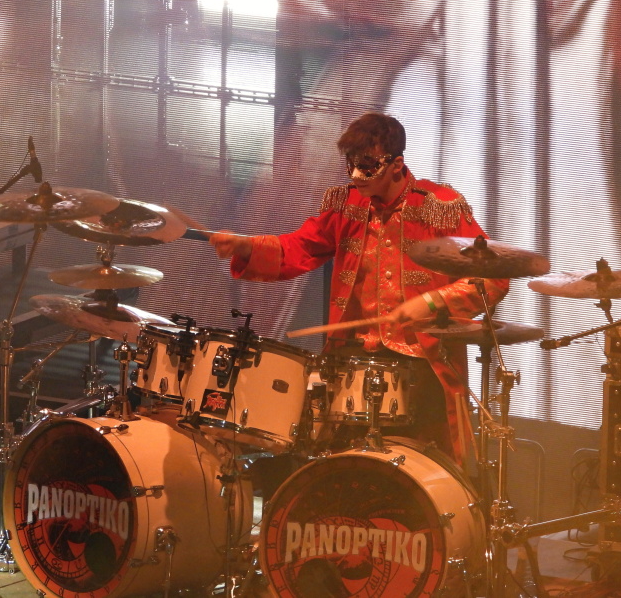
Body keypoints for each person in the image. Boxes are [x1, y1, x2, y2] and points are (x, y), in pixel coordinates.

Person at [210, 112, 509, 462]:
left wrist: (433, 302)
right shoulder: (347, 204)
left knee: (424, 465)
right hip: (353, 358)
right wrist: (247, 246)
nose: (355, 175)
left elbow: (493, 275)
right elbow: (300, 247)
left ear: (396, 164)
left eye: (367, 166)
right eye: (350, 164)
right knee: (346, 462)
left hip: (423, 362)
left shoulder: (439, 206)